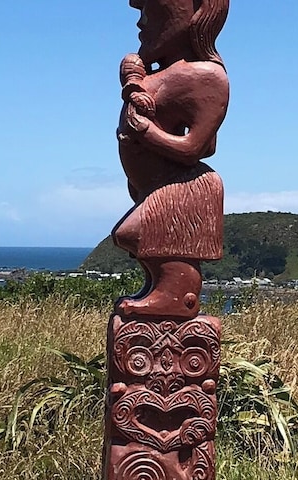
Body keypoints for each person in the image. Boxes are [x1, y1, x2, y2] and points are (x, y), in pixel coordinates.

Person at [113, 0, 230, 319]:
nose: (141, 22)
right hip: (152, 184)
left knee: (132, 233)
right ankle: (157, 286)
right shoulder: (163, 73)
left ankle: (179, 294)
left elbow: (197, 147)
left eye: (151, 10)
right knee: (137, 238)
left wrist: (146, 132)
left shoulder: (206, 76)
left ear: (196, 11)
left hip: (183, 187)